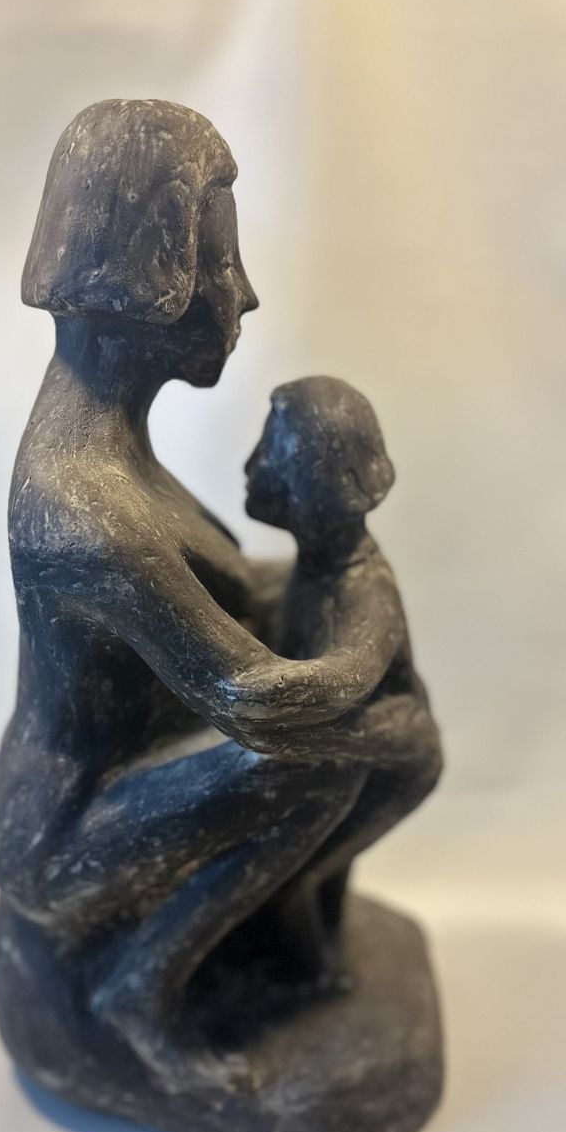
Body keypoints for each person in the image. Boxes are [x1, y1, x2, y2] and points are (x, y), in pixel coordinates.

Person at [0, 101, 401, 1090]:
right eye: (219, 256)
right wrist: (370, 650)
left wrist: (342, 574)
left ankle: (265, 931)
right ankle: (141, 987)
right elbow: (250, 694)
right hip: (63, 833)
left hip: (110, 793)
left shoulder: (115, 456)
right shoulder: (84, 506)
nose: (243, 295)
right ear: (146, 279)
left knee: (358, 750)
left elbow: (233, 592)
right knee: (310, 765)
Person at [241, 376, 443, 977]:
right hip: (356, 750)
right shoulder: (319, 567)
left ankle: (312, 980)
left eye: (270, 454)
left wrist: (245, 683)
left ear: (317, 485)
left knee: (293, 876)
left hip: (392, 759)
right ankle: (320, 957)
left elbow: (346, 675)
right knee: (313, 868)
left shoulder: (363, 589)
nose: (251, 467)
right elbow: (261, 584)